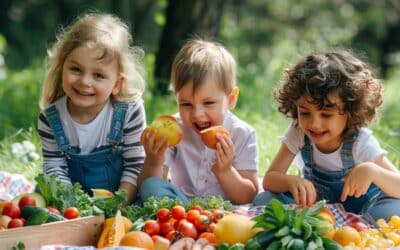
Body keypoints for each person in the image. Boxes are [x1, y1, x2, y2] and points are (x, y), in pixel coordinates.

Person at [253, 49, 400, 221]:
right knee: (264, 200)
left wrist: (373, 172)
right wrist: (292, 182)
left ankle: (361, 224)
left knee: (390, 212)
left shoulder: (360, 142)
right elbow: (269, 179)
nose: (314, 124)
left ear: (350, 111)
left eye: (326, 114)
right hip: (317, 207)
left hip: (365, 209)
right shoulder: (298, 132)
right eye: (305, 113)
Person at [37, 13, 146, 204]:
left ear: (117, 83)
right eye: (76, 69)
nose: (85, 82)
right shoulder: (51, 118)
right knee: (41, 190)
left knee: (148, 195)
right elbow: (55, 168)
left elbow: (135, 165)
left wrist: (118, 205)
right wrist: (73, 207)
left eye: (98, 75)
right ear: (62, 67)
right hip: (72, 199)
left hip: (123, 195)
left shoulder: (128, 111)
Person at [137, 39, 259, 205]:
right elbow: (148, 186)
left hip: (225, 214)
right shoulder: (174, 129)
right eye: (186, 104)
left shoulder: (242, 134)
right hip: (181, 209)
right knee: (150, 186)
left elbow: (249, 196)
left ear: (231, 99)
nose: (197, 115)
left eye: (208, 103)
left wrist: (225, 171)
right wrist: (153, 160)